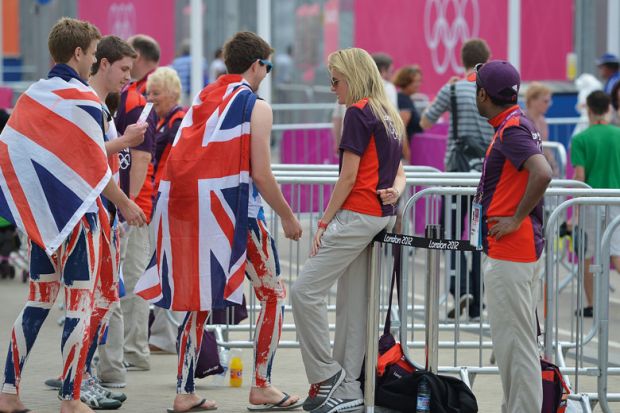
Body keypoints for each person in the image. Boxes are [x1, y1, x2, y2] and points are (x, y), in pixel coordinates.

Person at [134, 31, 303, 413]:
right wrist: (288, 216)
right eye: (268, 67)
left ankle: (183, 391)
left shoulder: (206, 99)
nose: (267, 74)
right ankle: (261, 384)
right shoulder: (254, 105)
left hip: (197, 214)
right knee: (273, 294)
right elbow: (261, 174)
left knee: (198, 300)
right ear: (257, 64)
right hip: (240, 215)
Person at [0, 17, 146, 413]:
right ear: (78, 53)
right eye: (94, 53)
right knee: (81, 305)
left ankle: (9, 393)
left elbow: (12, 148)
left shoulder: (33, 95)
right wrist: (127, 156)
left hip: (43, 224)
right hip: (79, 220)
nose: (96, 59)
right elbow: (93, 164)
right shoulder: (83, 99)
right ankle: (71, 398)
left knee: (36, 303)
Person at [291, 47, 406, 413]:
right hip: (380, 214)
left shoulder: (357, 113)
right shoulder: (387, 113)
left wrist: (323, 221)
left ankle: (328, 375)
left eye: (336, 80)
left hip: (357, 214)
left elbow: (349, 176)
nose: (332, 88)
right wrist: (397, 192)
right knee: (353, 304)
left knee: (304, 292)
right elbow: (400, 171)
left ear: (352, 78)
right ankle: (350, 385)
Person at [43, 34, 148, 410]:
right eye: (122, 69)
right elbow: (83, 158)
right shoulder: (87, 102)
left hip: (103, 217)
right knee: (85, 303)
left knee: (102, 302)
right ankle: (76, 382)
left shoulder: (101, 105)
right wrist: (125, 143)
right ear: (98, 62)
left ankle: (83, 378)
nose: (127, 78)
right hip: (88, 217)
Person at [472, 60, 552, 413]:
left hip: (511, 252)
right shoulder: (513, 124)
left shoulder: (512, 129)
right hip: (515, 251)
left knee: (516, 346)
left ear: (483, 94)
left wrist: (514, 218)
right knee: (513, 345)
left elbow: (543, 172)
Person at [96, 34, 160, 388]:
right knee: (122, 284)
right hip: (125, 205)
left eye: (128, 68)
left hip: (132, 208)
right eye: (123, 68)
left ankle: (133, 352)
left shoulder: (134, 101)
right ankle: (121, 356)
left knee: (131, 282)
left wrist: (128, 206)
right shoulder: (117, 100)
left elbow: (140, 158)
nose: (126, 74)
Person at [420, 38, 493, 320]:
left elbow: (426, 121)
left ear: (461, 60)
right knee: (478, 236)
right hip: (484, 174)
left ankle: (460, 287)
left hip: (455, 174)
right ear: (485, 59)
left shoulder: (452, 89)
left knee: (450, 233)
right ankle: (477, 301)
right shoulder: (491, 91)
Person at [145, 66, 186, 354]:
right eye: (148, 92)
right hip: (159, 197)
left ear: (172, 93)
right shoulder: (161, 122)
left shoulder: (178, 121)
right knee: (160, 266)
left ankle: (168, 336)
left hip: (168, 199)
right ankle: (163, 335)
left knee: (165, 266)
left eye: (156, 93)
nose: (150, 98)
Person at [570, 90, 620, 318]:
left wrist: (574, 209)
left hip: (592, 200)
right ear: (609, 109)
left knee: (588, 254)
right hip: (616, 200)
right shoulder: (618, 135)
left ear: (589, 110)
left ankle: (592, 305)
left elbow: (580, 176)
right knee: (617, 254)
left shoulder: (581, 139)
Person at [525, 82, 559, 176]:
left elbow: (546, 147)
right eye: (545, 101)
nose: (548, 105)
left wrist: (554, 167)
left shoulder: (542, 121)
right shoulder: (523, 120)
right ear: (532, 100)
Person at [392, 65, 423, 161]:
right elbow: (401, 130)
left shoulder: (403, 98)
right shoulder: (404, 101)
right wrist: (407, 155)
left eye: (419, 81)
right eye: (415, 81)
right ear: (406, 82)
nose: (418, 84)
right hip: (403, 157)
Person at [171, 39, 209, 105]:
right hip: (199, 93)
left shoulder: (176, 63)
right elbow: (206, 78)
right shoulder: (201, 61)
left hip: (182, 93)